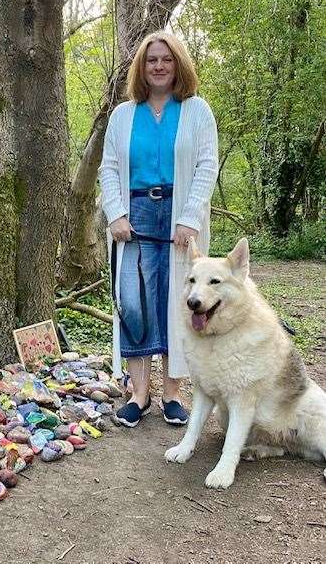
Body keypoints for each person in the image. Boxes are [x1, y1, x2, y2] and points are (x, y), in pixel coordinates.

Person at [99, 31, 218, 428]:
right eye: (152, 60)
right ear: (142, 67)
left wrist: (189, 217)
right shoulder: (122, 115)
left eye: (166, 59)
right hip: (134, 217)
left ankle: (171, 394)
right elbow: (110, 168)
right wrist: (115, 213)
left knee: (180, 301)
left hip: (180, 214)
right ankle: (139, 394)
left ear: (178, 63)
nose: (159, 66)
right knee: (134, 301)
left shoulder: (197, 111)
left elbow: (205, 166)